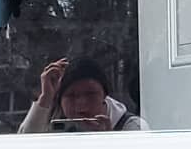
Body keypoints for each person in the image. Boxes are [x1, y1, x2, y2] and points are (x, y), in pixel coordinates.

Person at [19, 56, 148, 132]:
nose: (82, 104)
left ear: (105, 95)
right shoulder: (51, 122)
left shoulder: (132, 128)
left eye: (91, 94)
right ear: (59, 99)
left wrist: (109, 142)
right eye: (71, 96)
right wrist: (45, 98)